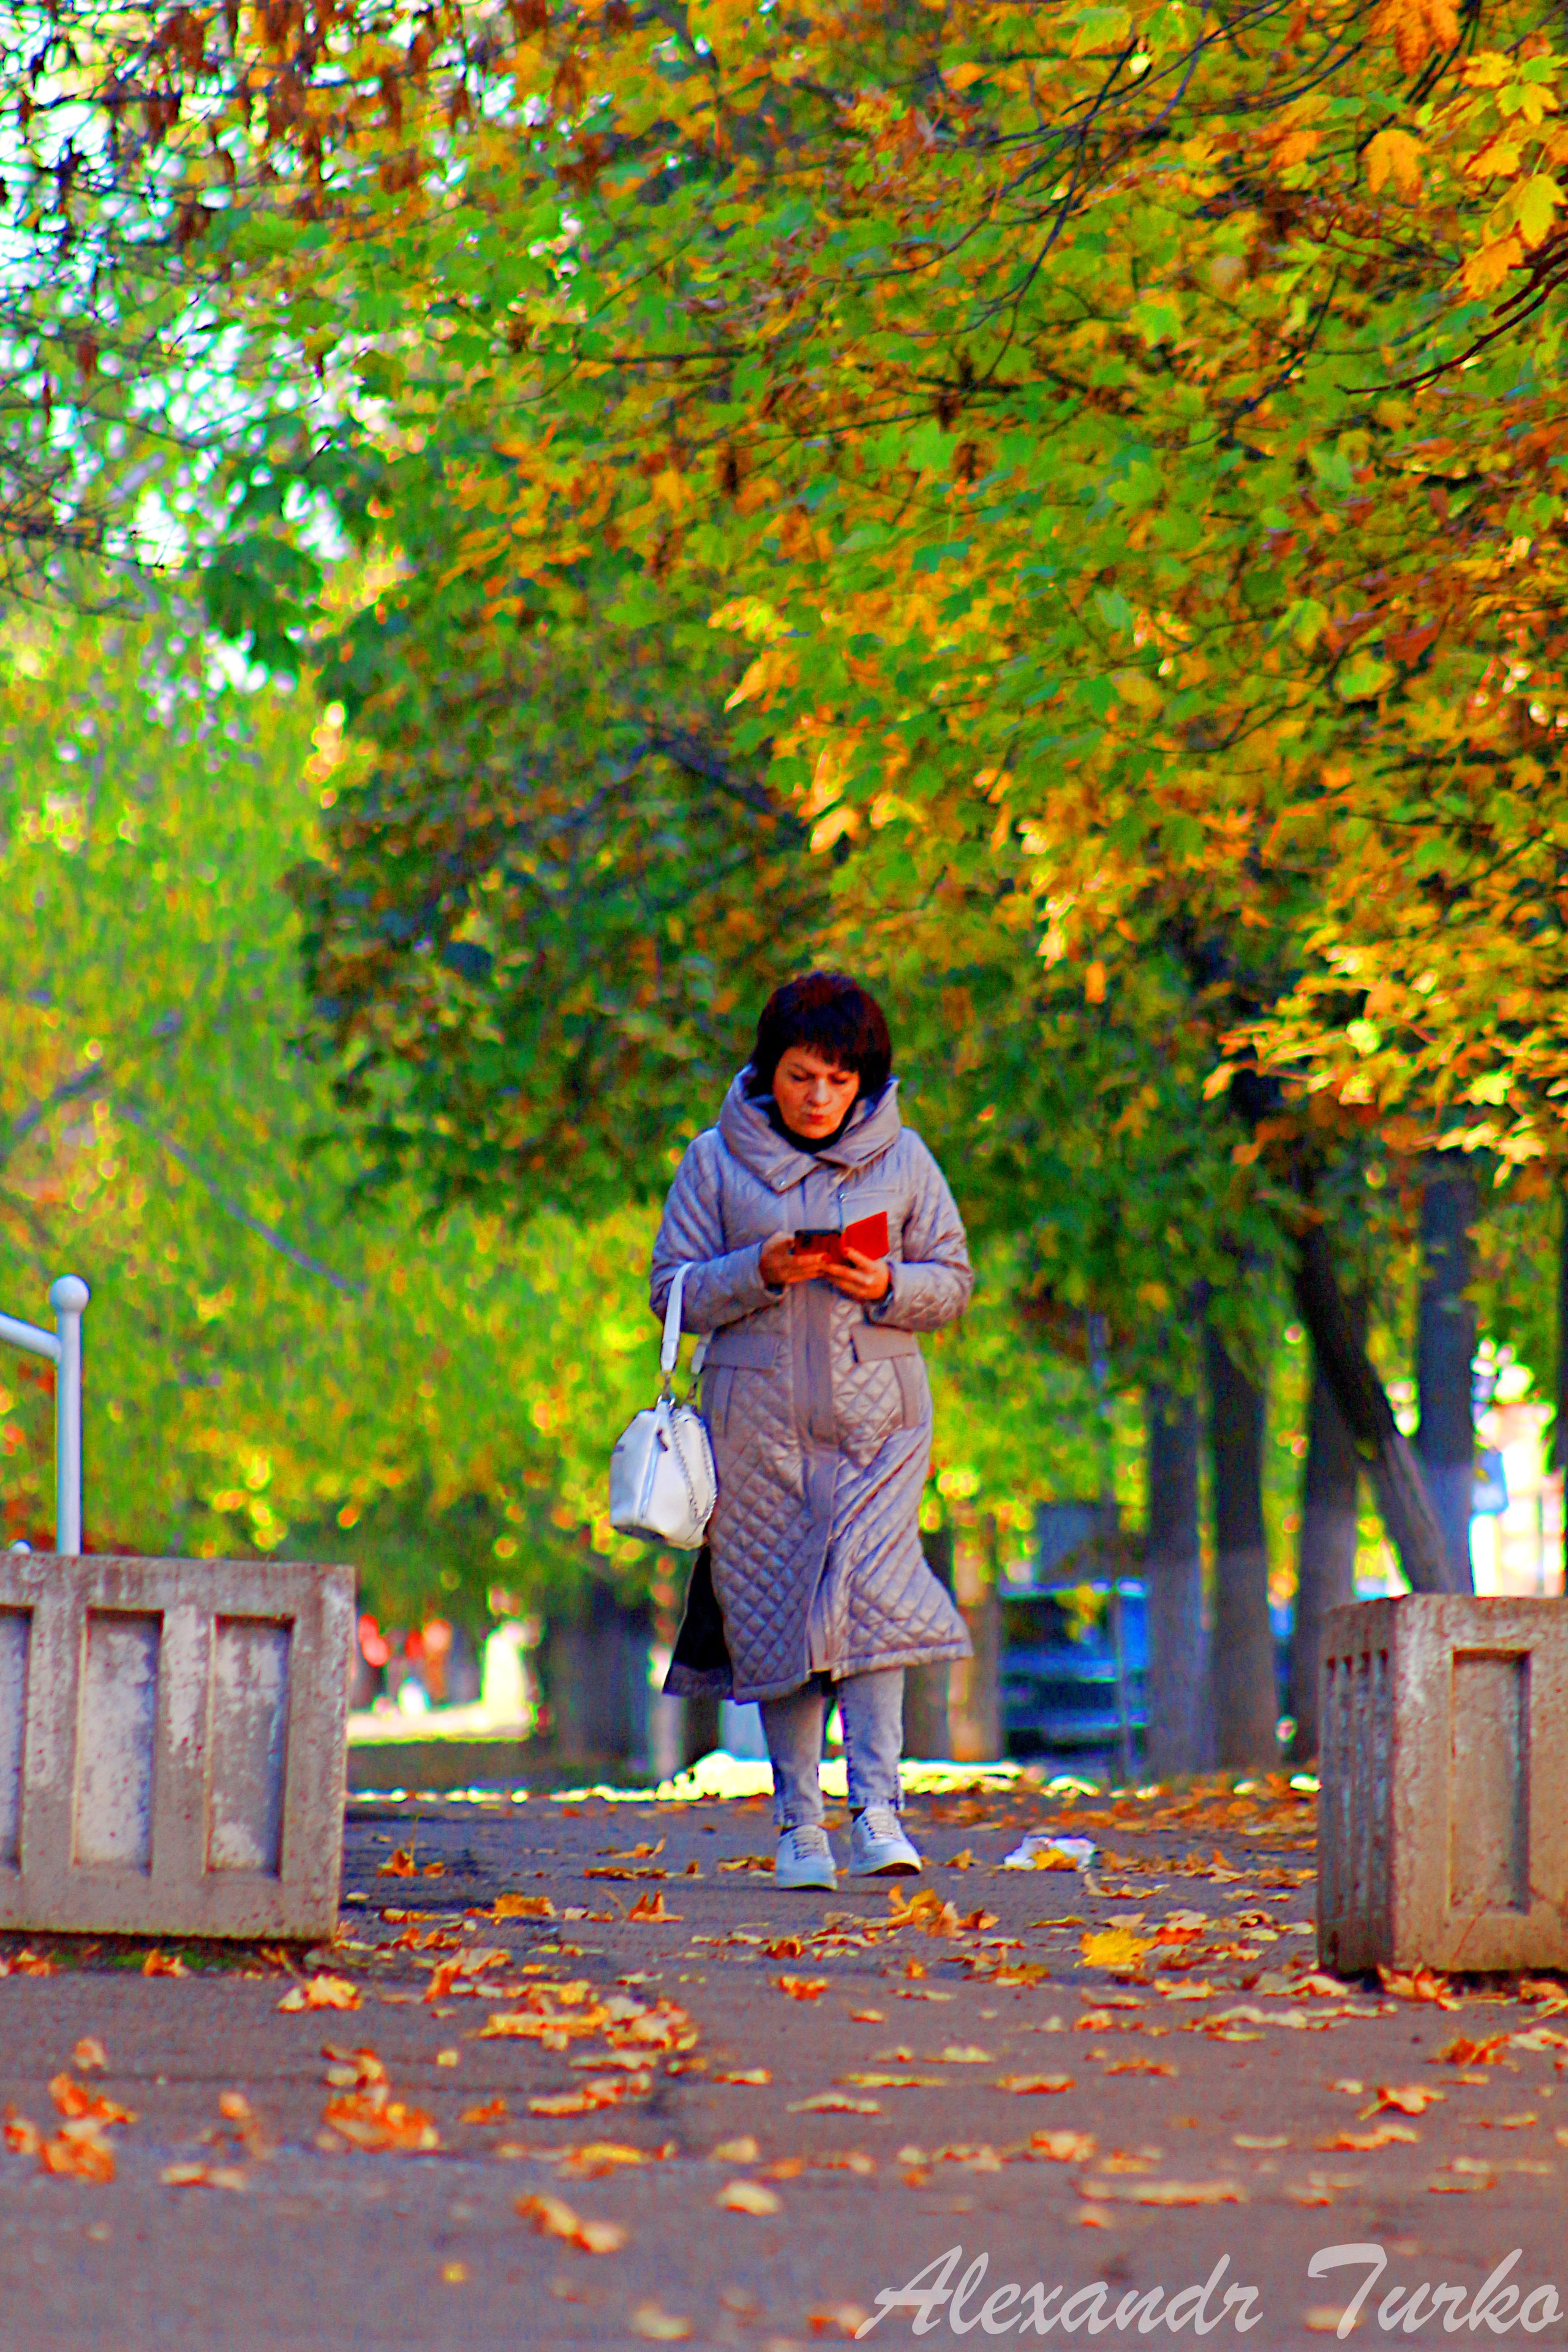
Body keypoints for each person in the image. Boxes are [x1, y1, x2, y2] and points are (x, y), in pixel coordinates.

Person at [652, 971, 973, 1890]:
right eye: (802, 1076)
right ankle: (801, 1826)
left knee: (873, 1610)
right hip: (755, 1431)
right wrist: (757, 1267)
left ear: (865, 1081)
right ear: (771, 1070)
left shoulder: (906, 1159)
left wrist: (891, 1288)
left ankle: (880, 1813)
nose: (821, 1097)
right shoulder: (715, 1161)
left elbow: (952, 1280)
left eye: (840, 1080)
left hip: (881, 1428)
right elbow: (669, 1294)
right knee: (779, 1616)